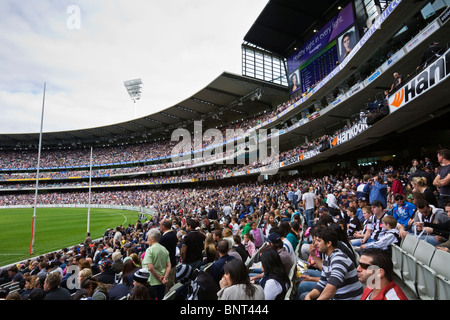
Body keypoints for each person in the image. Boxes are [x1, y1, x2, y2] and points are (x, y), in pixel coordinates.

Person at [303, 227, 363, 300]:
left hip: (348, 298)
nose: (315, 244)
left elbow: (332, 286)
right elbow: (322, 284)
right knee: (304, 296)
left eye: (319, 241)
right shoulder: (328, 257)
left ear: (328, 243)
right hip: (337, 296)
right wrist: (309, 296)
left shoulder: (339, 258)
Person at [142, 228, 171, 301]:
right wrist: (164, 278)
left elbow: (150, 267)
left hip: (152, 282)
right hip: (162, 282)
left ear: (153, 239)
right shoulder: (164, 249)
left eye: (148, 238)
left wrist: (159, 278)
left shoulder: (149, 250)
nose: (147, 240)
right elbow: (169, 266)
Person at [159, 218, 178, 291]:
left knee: (167, 287)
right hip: (172, 262)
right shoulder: (173, 234)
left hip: (167, 266)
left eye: (160, 225)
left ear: (163, 226)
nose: (160, 226)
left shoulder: (165, 238)